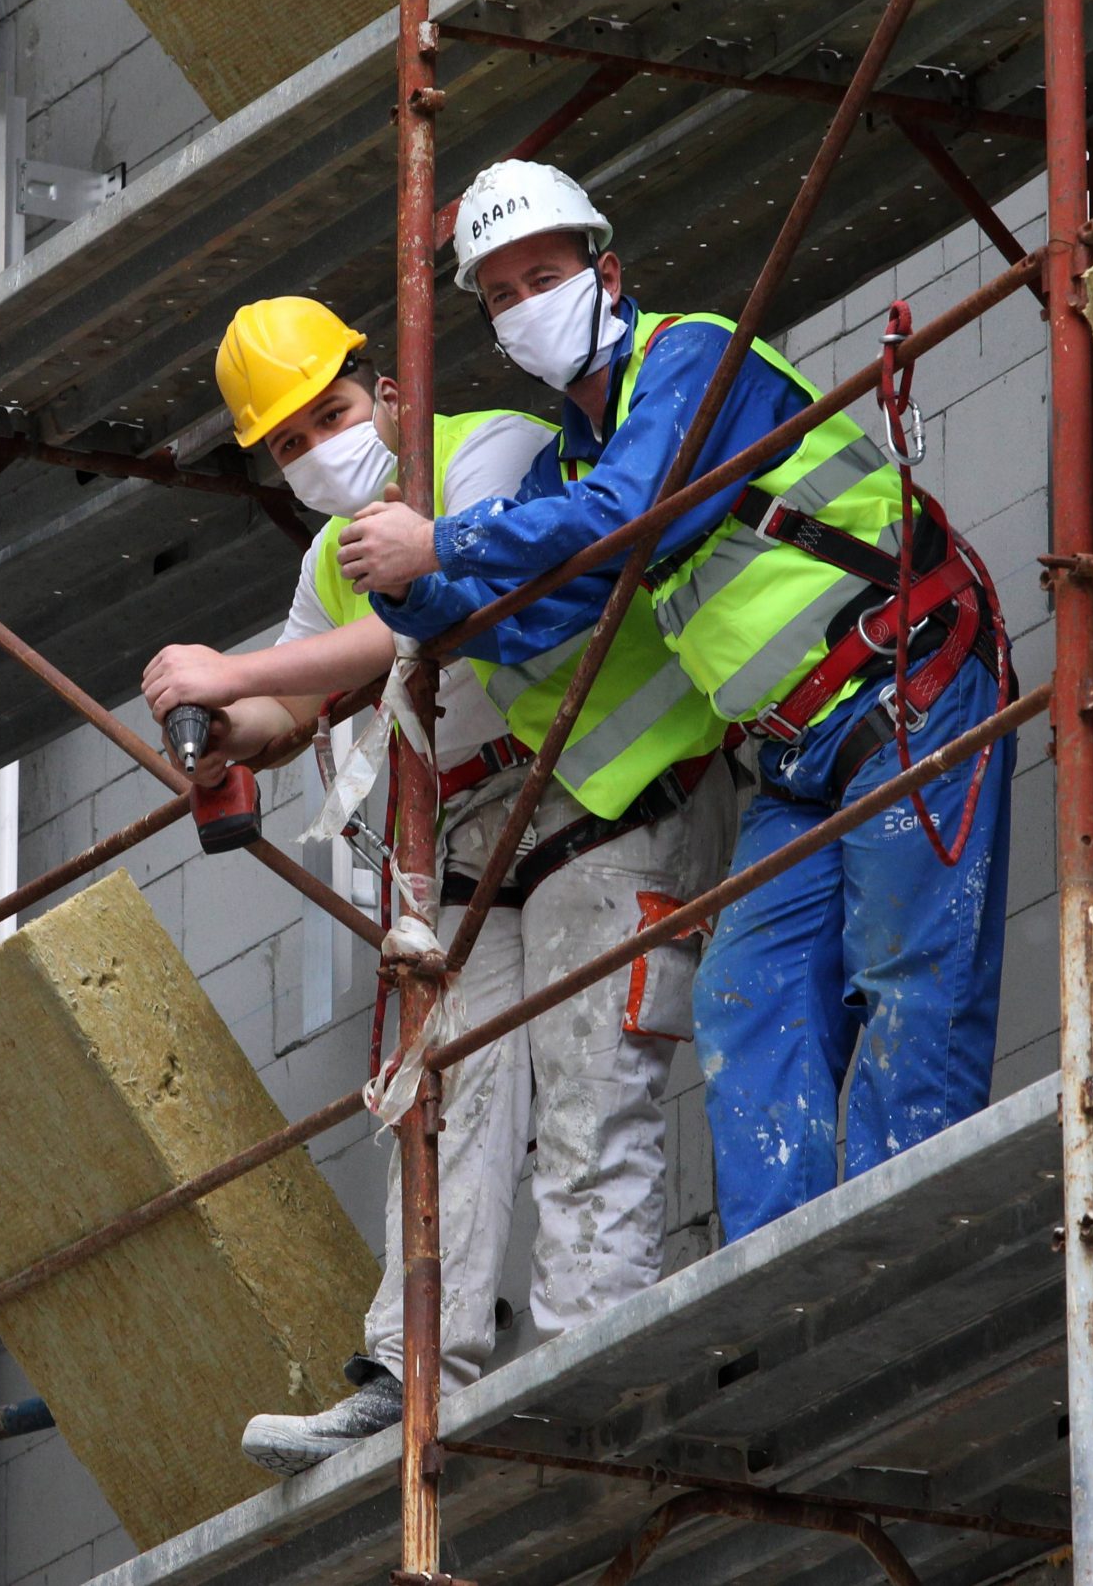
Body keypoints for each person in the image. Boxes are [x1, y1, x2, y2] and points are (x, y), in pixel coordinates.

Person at [349, 159, 1015, 1245]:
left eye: (543, 274)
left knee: (909, 980)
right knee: (745, 997)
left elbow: (632, 515)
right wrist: (420, 592)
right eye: (501, 294)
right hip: (797, 755)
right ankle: (785, 1266)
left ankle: (911, 1248)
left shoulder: (692, 357)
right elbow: (523, 619)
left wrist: (442, 540)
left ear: (606, 273)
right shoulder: (574, 456)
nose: (525, 306)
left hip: (905, 686)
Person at [141, 295, 732, 1475]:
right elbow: (294, 703)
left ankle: (588, 1357)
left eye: (334, 413)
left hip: (605, 804)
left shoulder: (495, 451)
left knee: (589, 1089)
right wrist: (217, 718)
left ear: (391, 391)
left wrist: (238, 665)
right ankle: (411, 1367)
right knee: (446, 1111)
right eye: (292, 441)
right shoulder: (327, 555)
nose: (320, 450)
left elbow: (410, 631)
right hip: (470, 850)